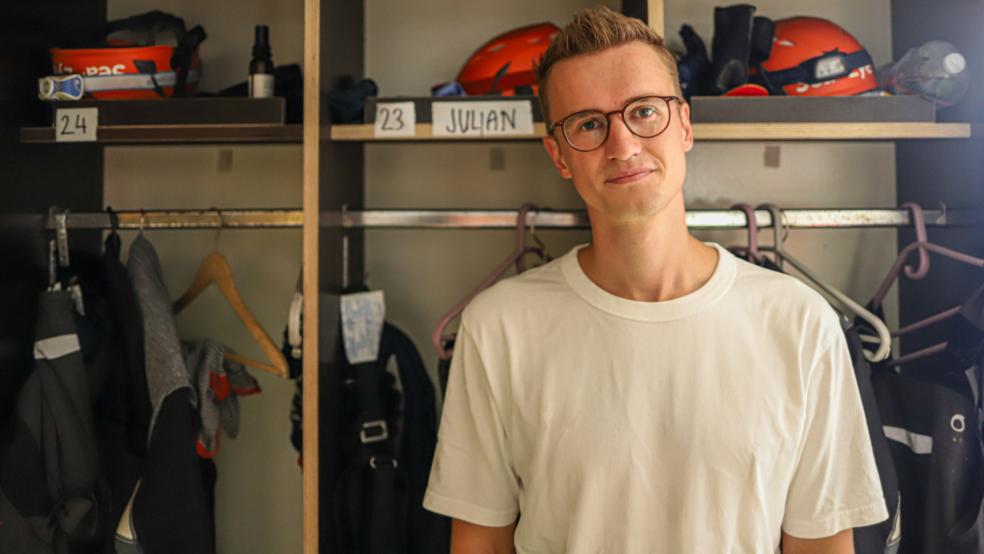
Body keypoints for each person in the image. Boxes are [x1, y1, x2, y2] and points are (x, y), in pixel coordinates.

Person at [423, 6, 888, 553]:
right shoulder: (498, 328)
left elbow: (821, 546)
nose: (622, 146)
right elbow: (480, 545)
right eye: (589, 124)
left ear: (685, 125)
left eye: (644, 111)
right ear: (559, 156)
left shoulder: (800, 324)